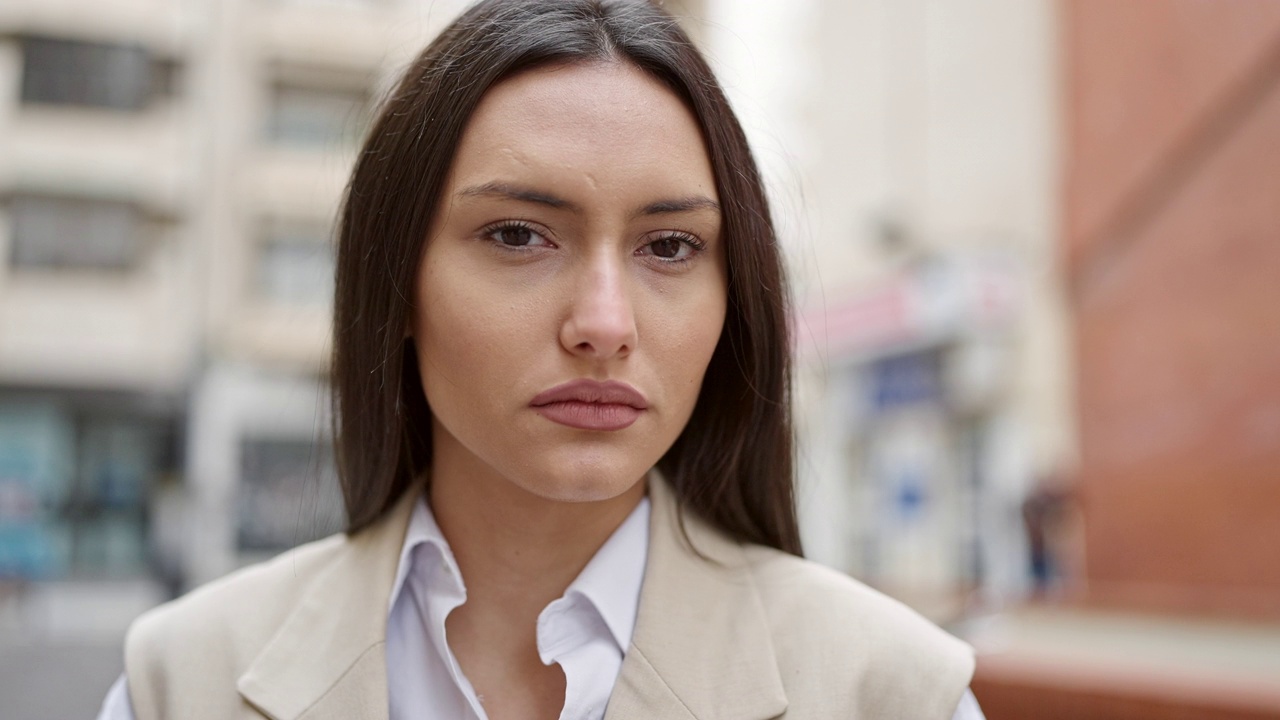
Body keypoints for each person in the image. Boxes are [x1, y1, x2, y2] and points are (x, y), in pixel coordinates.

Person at [98, 1, 985, 717]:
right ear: (397, 283)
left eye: (670, 246)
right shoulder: (183, 681)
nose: (603, 324)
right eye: (518, 235)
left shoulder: (891, 691)